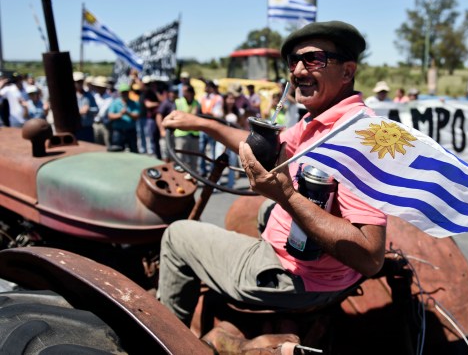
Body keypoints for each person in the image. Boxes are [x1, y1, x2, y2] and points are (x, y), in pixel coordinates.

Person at [158, 20, 386, 327]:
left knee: (177, 234)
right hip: (316, 267)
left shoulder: (356, 138)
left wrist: (286, 195)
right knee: (266, 208)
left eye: (313, 59)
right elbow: (262, 147)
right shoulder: (321, 121)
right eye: (293, 61)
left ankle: (164, 336)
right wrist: (203, 124)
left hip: (298, 278)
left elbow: (371, 259)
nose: (299, 71)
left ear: (347, 71)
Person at [173, 83, 201, 171]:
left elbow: (199, 119)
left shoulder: (197, 103)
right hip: (181, 135)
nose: (183, 93)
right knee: (180, 161)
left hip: (194, 135)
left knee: (194, 161)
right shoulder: (178, 102)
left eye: (185, 91)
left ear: (191, 92)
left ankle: (193, 181)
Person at [198, 80, 224, 175]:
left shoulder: (218, 98)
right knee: (201, 150)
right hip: (203, 126)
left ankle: (212, 170)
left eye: (208, 86)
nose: (206, 88)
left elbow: (219, 113)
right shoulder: (202, 98)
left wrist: (211, 114)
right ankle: (202, 169)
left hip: (212, 126)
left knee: (213, 151)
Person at [108, 84, 140, 153]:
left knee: (133, 150)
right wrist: (120, 114)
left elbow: (137, 116)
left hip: (130, 131)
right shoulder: (115, 103)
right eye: (123, 92)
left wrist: (127, 113)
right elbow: (110, 116)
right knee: (117, 150)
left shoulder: (134, 103)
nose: (125, 94)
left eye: (126, 92)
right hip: (118, 131)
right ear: (120, 93)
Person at [74, 72, 98, 142]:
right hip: (76, 128)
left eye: (81, 81)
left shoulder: (89, 95)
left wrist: (89, 110)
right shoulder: (70, 96)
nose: (79, 84)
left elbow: (96, 109)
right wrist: (79, 112)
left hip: (88, 127)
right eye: (77, 82)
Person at [156, 86, 178, 161]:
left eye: (175, 93)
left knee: (173, 155)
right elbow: (158, 116)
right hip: (166, 133)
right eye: (171, 93)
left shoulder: (177, 102)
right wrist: (161, 130)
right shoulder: (165, 103)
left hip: (175, 134)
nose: (173, 95)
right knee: (165, 155)